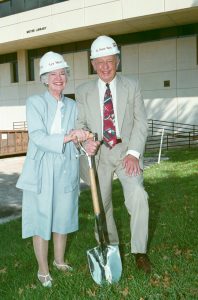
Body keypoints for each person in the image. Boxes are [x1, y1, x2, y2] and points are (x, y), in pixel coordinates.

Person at [75, 36, 151, 273]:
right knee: (102, 204)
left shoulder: (132, 86)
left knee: (138, 195)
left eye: (110, 61)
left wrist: (134, 153)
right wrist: (86, 141)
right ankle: (111, 247)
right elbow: (81, 123)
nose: (105, 67)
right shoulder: (83, 91)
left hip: (125, 151)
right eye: (100, 62)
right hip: (97, 155)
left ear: (117, 61)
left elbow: (141, 122)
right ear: (93, 64)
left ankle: (140, 251)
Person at [16, 51, 91, 287]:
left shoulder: (72, 105)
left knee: (63, 215)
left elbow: (78, 133)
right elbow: (38, 136)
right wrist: (69, 136)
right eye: (53, 74)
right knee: (41, 218)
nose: (59, 78)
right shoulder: (35, 102)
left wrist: (84, 138)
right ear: (44, 78)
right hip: (41, 168)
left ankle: (59, 261)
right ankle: (43, 270)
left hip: (66, 165)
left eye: (62, 73)